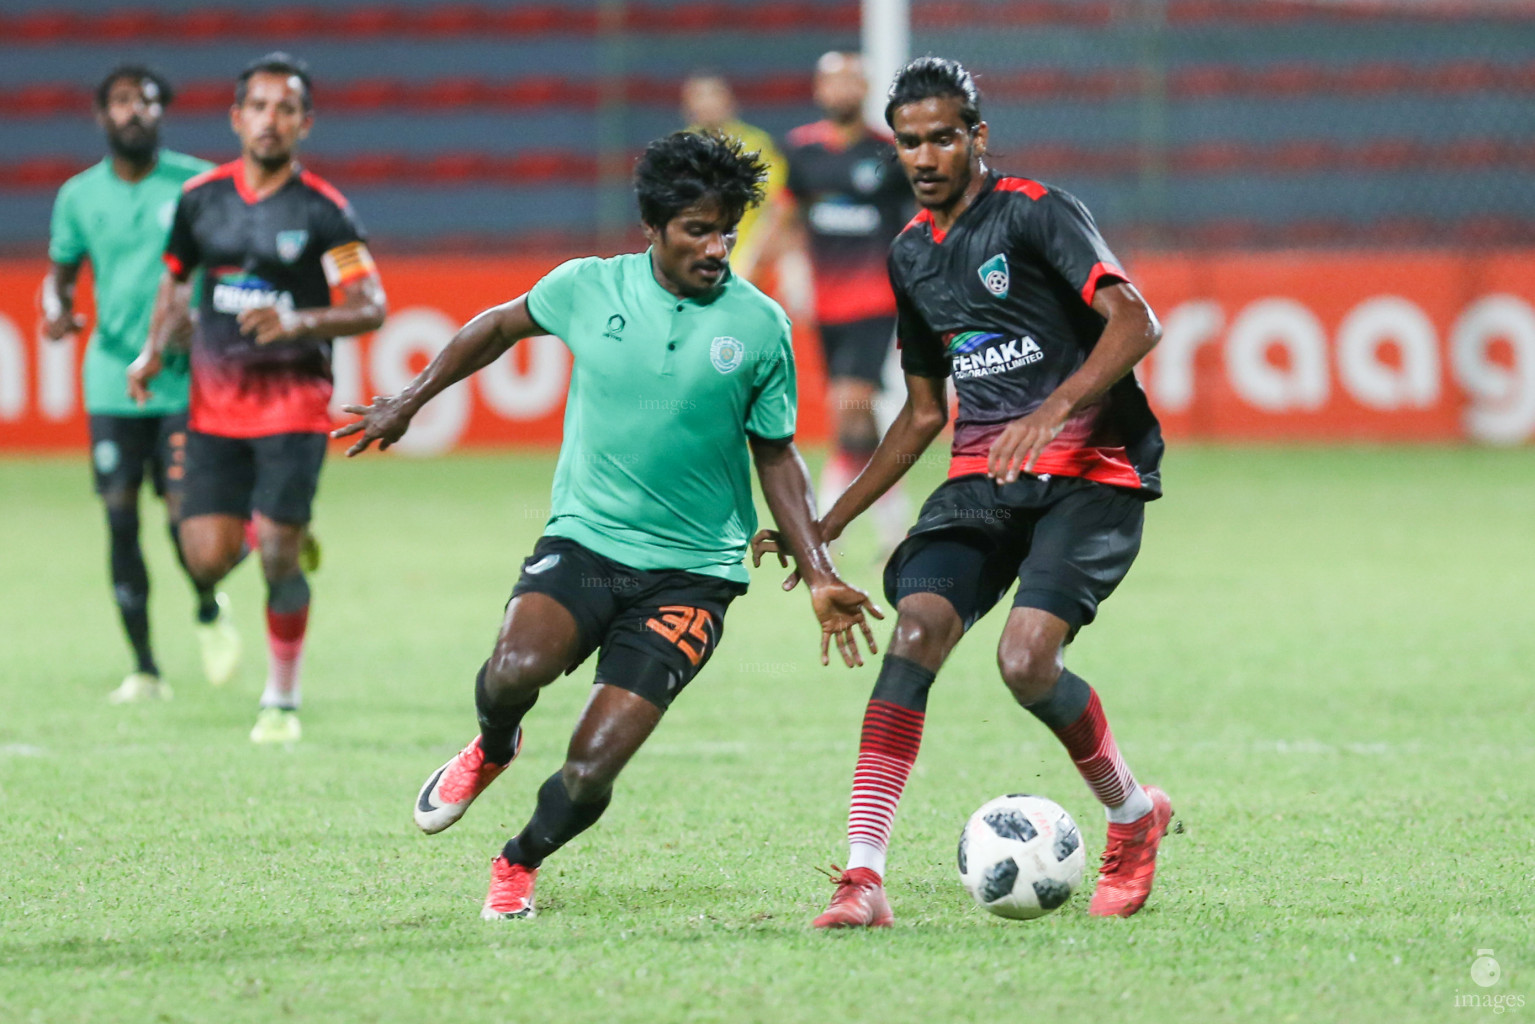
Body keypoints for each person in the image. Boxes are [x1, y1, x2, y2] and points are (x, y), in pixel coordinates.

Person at [336, 130, 881, 921]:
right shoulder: (587, 288)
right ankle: (494, 746)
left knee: (592, 767)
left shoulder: (759, 325)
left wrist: (820, 567)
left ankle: (519, 859)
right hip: (587, 540)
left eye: (727, 229)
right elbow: (494, 326)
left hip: (694, 572)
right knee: (515, 668)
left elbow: (776, 455)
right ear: (653, 230)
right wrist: (409, 400)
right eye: (697, 229)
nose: (716, 246)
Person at [756, 57, 1174, 926]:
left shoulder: (1033, 212)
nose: (924, 155)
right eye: (908, 141)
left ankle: (1133, 816)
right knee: (915, 631)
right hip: (986, 480)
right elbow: (917, 415)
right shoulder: (910, 255)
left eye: (942, 137)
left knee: (1024, 662)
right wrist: (821, 528)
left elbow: (1136, 320)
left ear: (976, 137)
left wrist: (1053, 410)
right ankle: (863, 880)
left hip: (1091, 471)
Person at [128, 53, 387, 743]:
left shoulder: (324, 212)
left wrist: (299, 321)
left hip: (293, 408)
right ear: (236, 117)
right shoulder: (200, 201)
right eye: (259, 107)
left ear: (304, 122)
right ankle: (272, 529)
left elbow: (370, 305)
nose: (270, 120)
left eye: (285, 108)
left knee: (277, 558)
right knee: (205, 559)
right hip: (212, 409)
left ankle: (281, 699)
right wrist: (154, 350)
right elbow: (176, 281)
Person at [43, 65, 240, 703]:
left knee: (186, 523)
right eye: (122, 102)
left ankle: (209, 601)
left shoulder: (195, 183)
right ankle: (146, 668)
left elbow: (234, 266)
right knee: (120, 518)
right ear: (102, 116)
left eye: (147, 101)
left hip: (184, 383)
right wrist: (55, 308)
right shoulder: (77, 196)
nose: (134, 112)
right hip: (108, 379)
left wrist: (205, 320)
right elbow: (62, 274)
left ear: (162, 114)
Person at [752, 52, 913, 537]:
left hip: (876, 300)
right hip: (825, 304)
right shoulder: (801, 152)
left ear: (865, 89)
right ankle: (892, 519)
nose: (842, 90)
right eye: (833, 82)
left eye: (851, 82)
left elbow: (918, 223)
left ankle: (823, 517)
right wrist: (751, 274)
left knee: (849, 402)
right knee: (855, 414)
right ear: (820, 90)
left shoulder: (889, 153)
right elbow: (783, 218)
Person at [680, 72, 786, 284]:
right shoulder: (679, 149)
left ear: (730, 102)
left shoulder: (756, 145)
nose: (709, 103)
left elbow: (778, 205)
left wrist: (754, 257)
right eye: (700, 97)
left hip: (751, 260)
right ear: (687, 107)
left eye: (715, 95)